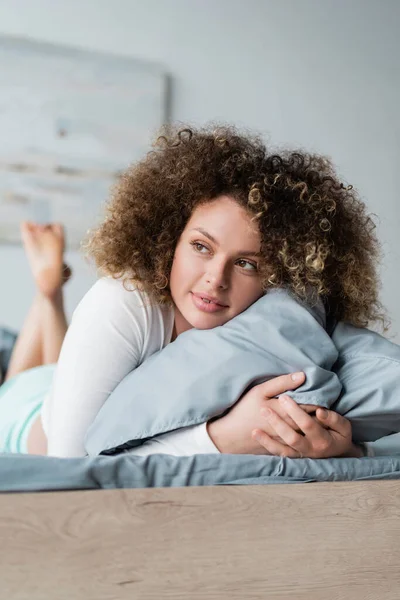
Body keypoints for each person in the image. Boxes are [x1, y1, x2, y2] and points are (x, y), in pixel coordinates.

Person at [2, 124, 383, 459]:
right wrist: (222, 437)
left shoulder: (275, 327)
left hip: (56, 383)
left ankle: (48, 294)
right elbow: (72, 467)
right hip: (20, 418)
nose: (216, 279)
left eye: (246, 263)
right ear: (169, 239)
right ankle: (48, 293)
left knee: (51, 368)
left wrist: (347, 450)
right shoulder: (121, 302)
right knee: (23, 379)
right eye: (201, 247)